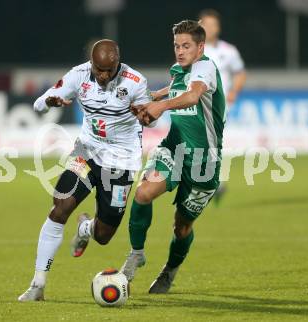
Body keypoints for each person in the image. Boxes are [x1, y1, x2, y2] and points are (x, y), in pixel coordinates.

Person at [18, 39, 150, 301]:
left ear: (117, 64)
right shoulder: (78, 75)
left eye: (107, 71)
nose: (102, 76)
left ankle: (85, 229)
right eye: (98, 69)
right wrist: (50, 102)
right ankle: (37, 284)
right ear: (91, 63)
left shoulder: (136, 81)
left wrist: (146, 114)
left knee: (103, 236)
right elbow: (38, 103)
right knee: (61, 205)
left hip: (121, 162)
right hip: (87, 152)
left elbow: (149, 116)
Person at [120, 20, 226, 294]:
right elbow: (177, 86)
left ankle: (170, 271)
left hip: (204, 163)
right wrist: (153, 97)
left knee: (182, 226)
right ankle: (136, 254)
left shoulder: (206, 67)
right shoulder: (180, 69)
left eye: (186, 46)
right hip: (174, 149)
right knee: (143, 193)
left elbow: (192, 96)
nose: (180, 51)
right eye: (177, 45)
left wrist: (161, 106)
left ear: (200, 47)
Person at [198, 9, 247, 204]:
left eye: (213, 25)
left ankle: (212, 182)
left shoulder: (229, 51)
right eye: (206, 25)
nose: (209, 29)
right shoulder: (192, 49)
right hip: (196, 104)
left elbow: (240, 73)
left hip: (219, 105)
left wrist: (235, 90)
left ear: (218, 28)